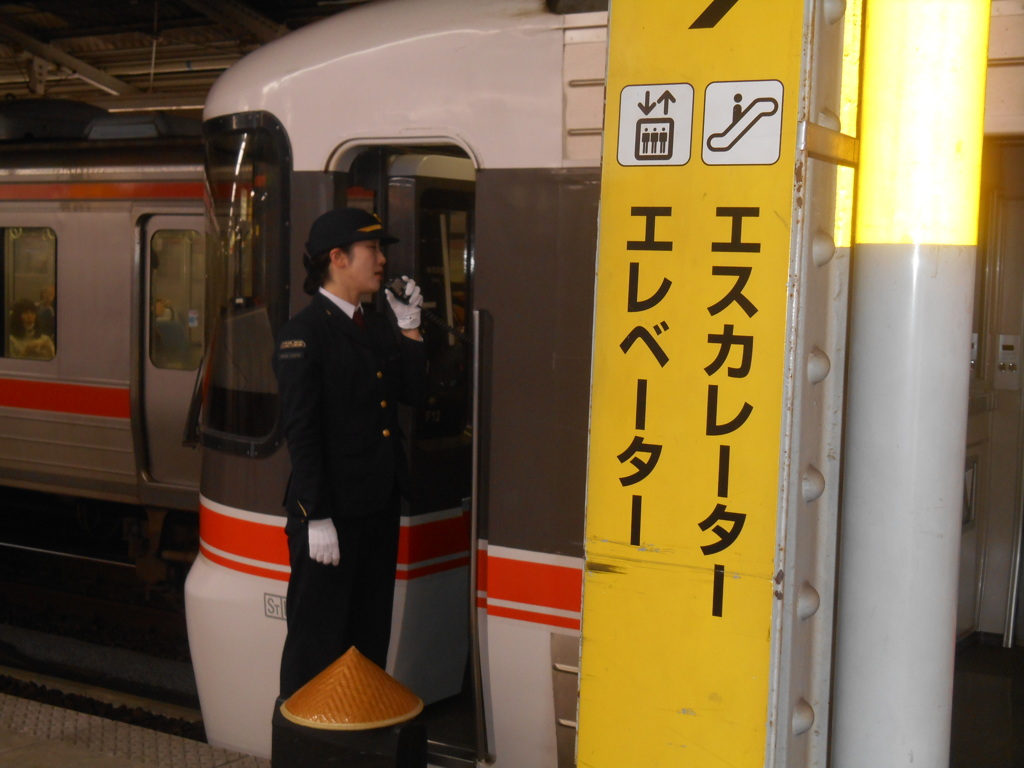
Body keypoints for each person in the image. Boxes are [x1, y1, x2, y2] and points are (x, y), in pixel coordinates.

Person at [273, 207, 427, 698]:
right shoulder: (306, 332)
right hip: (331, 518)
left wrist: (411, 329)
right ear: (338, 259)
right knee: (316, 649)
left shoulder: (375, 325)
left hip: (376, 509)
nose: (382, 260)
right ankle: (306, 748)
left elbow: (414, 393)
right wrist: (316, 516)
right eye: (373, 250)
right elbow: (302, 431)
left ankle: (357, 745)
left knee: (367, 645)